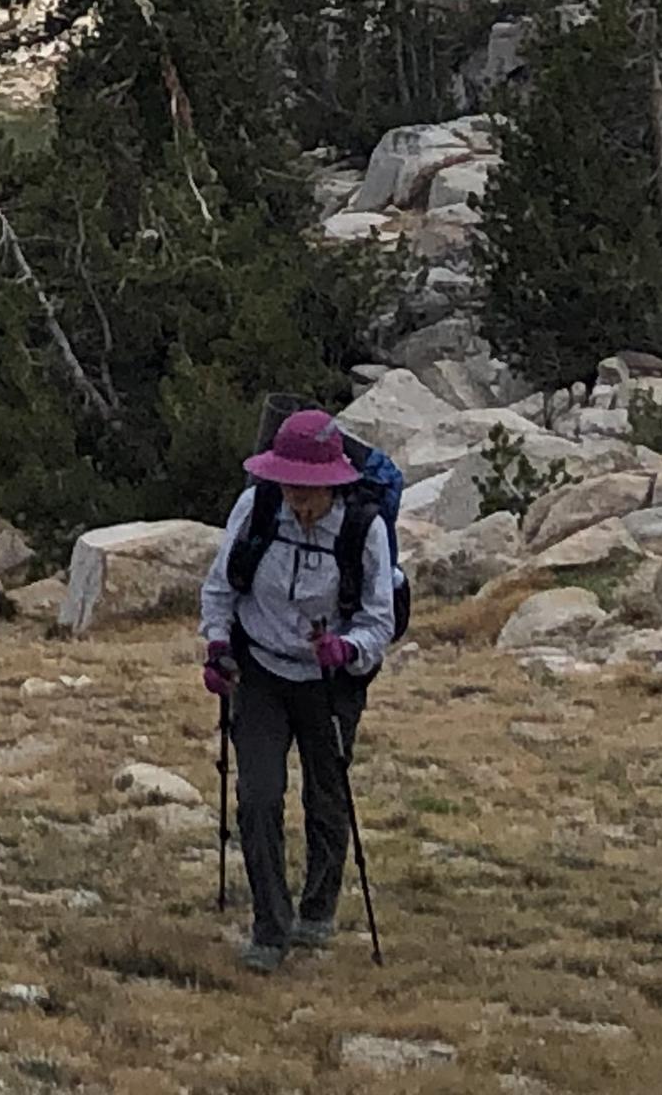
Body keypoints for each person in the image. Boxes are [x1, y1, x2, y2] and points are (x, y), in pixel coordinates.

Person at [197, 406, 397, 970]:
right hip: (260, 668)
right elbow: (219, 590)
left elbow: (379, 619)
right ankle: (270, 927)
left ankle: (318, 909)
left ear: (334, 483)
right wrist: (217, 647)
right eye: (289, 485)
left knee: (326, 795)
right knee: (258, 797)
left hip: (331, 679)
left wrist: (349, 649)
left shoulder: (364, 528)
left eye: (309, 490)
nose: (297, 500)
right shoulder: (256, 509)